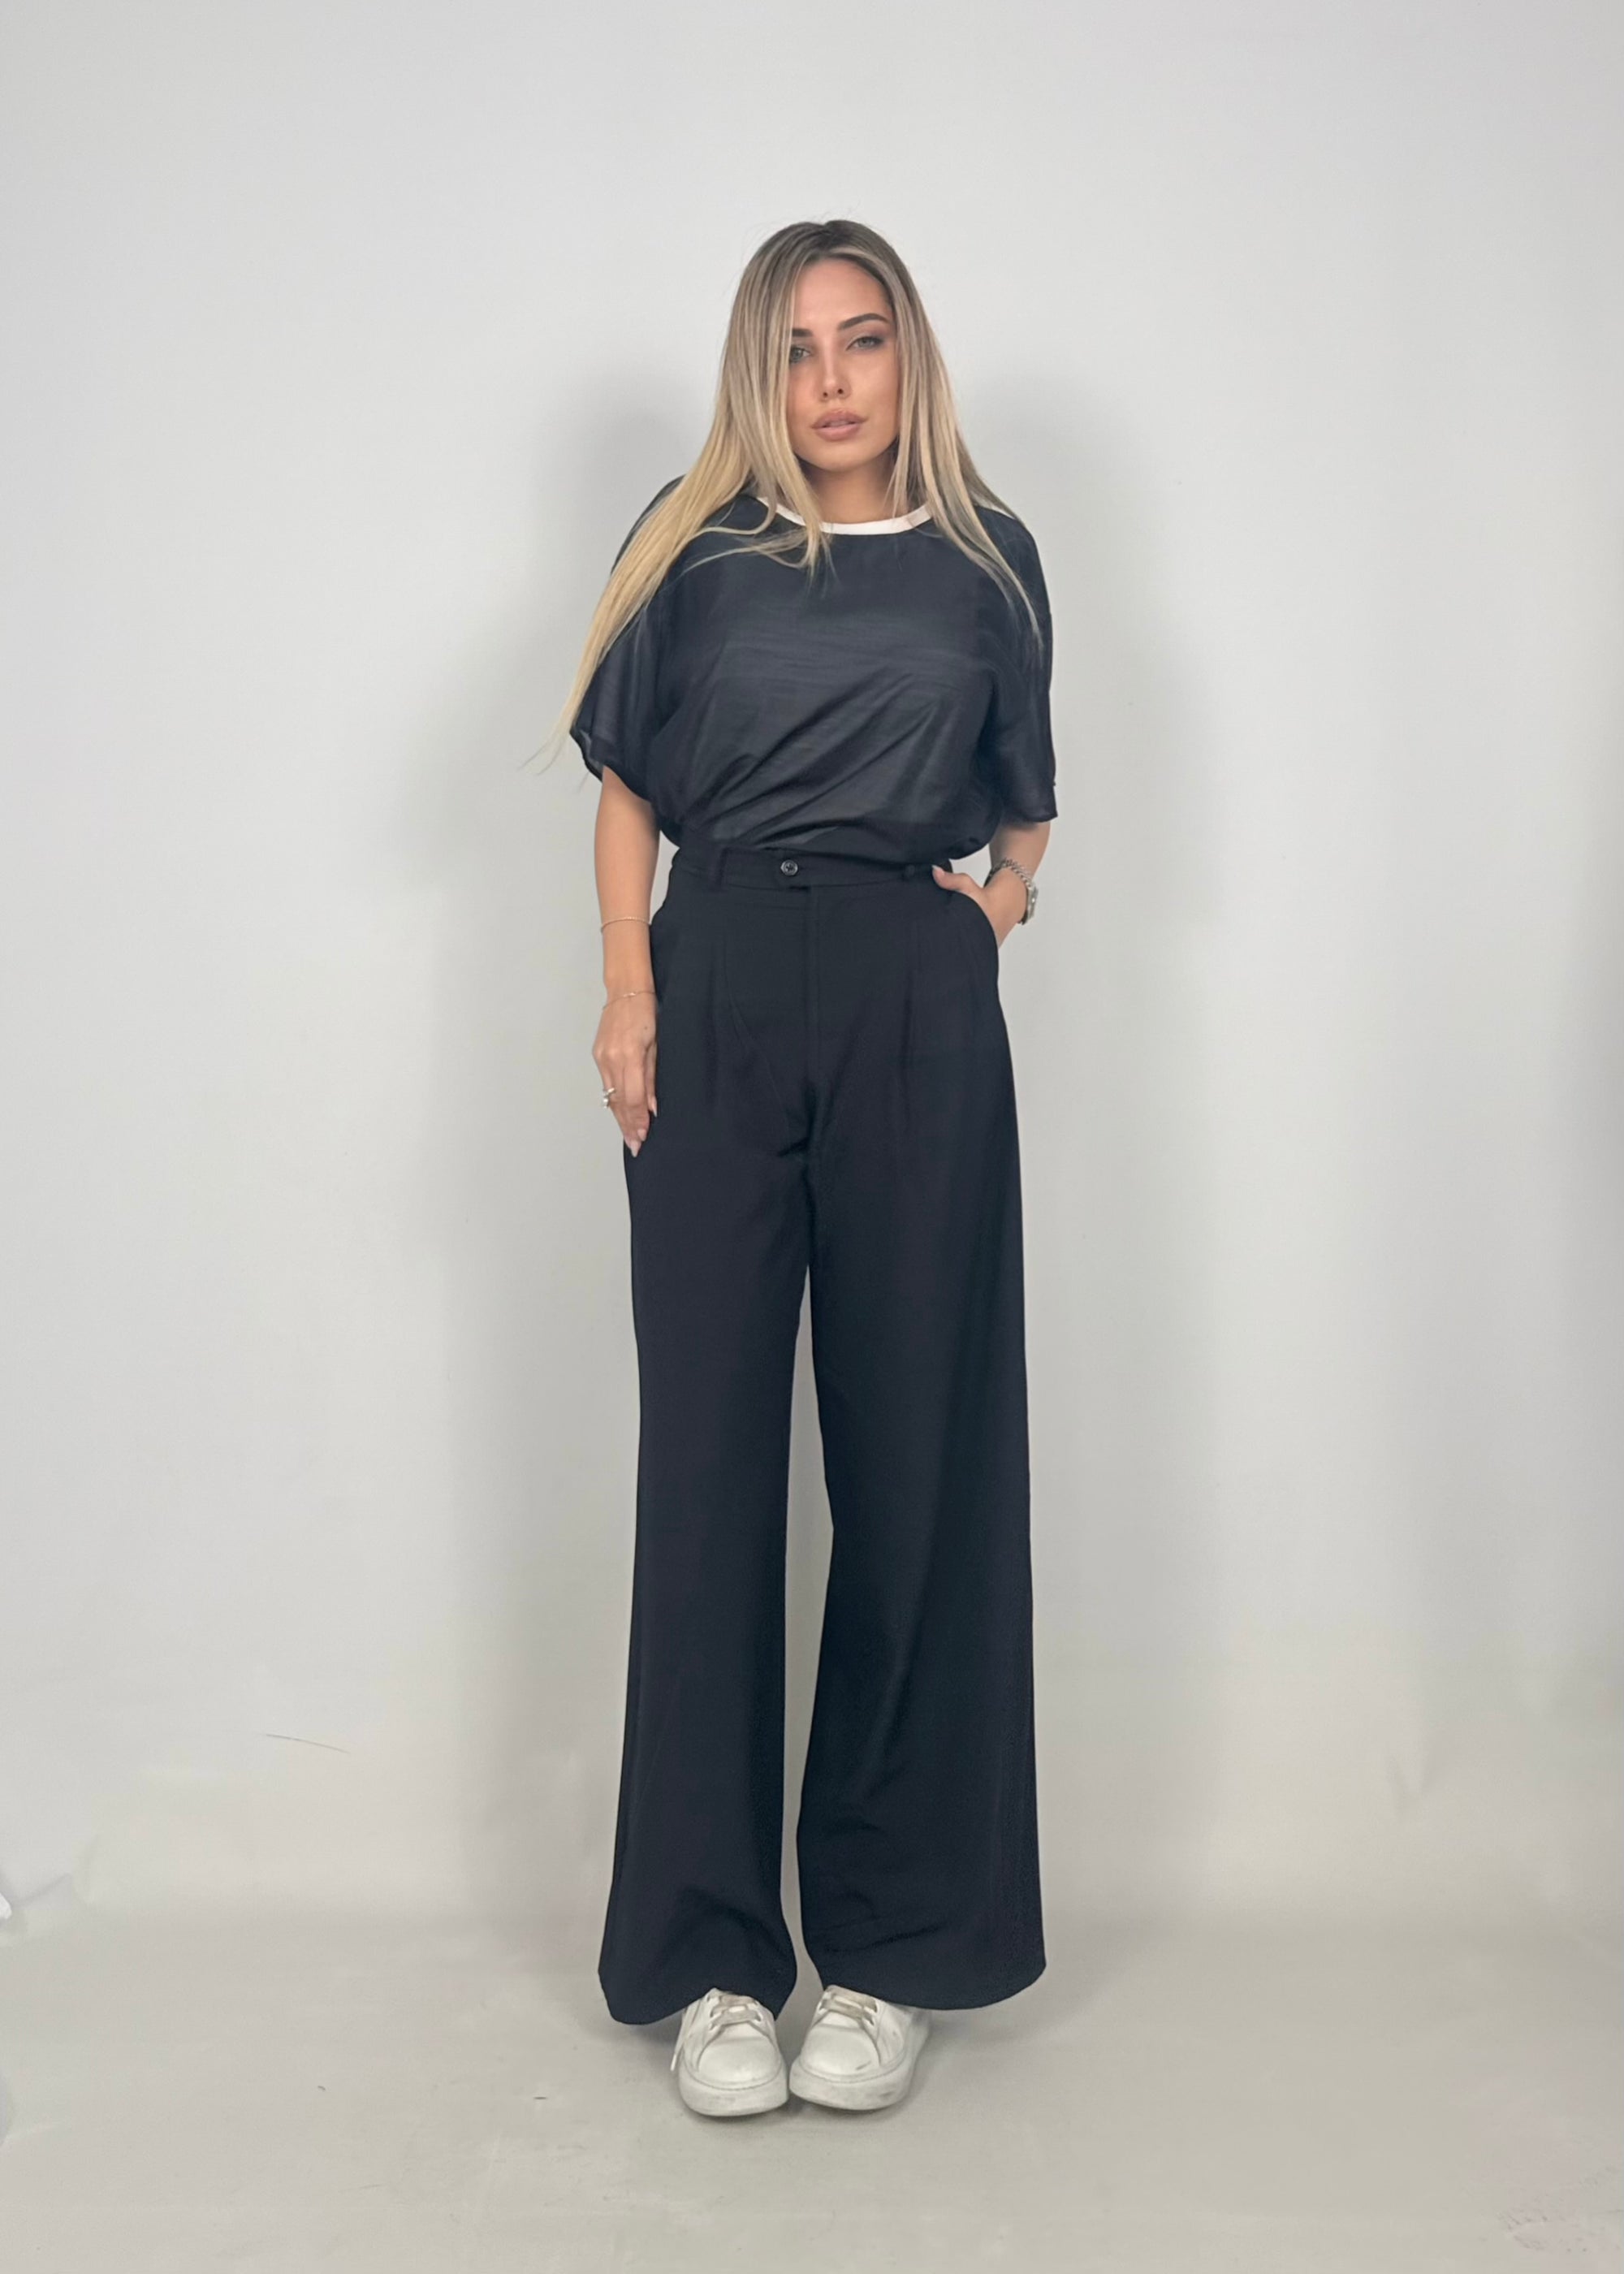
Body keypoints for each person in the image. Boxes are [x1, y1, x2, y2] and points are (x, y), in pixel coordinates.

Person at [554, 218, 1056, 2116]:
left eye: (859, 339)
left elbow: (1024, 805)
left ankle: (893, 1945)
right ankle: (708, 1958)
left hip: (914, 997)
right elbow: (628, 789)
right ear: (754, 374)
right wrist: (630, 993)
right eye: (793, 347)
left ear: (906, 354)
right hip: (713, 986)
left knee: (916, 1456)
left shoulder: (991, 557)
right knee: (707, 1466)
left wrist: (988, 914)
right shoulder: (689, 542)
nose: (830, 380)